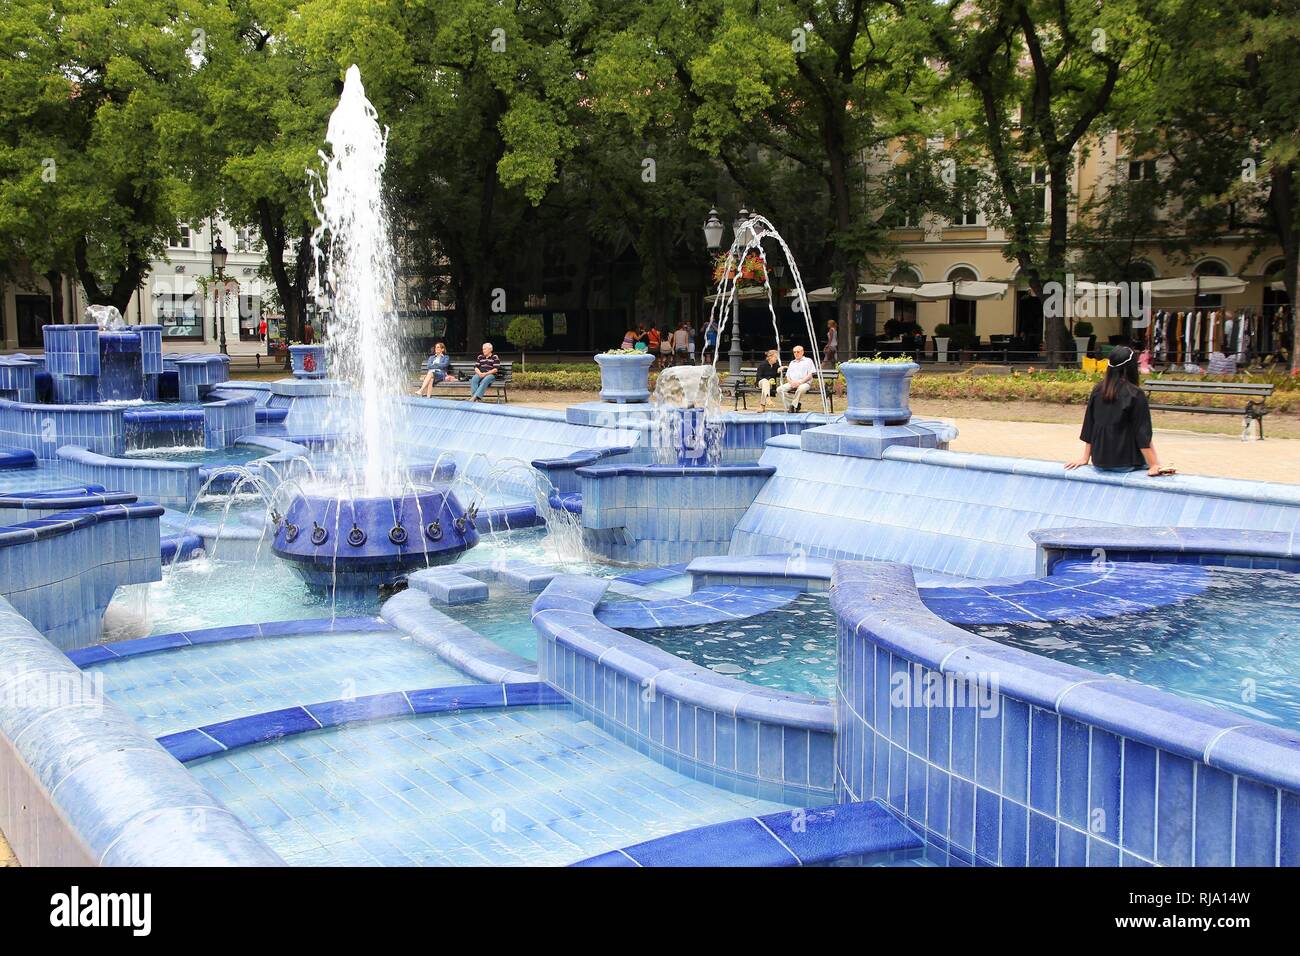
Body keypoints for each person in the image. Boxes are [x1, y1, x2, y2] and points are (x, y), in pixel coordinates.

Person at [1066, 345, 1174, 476]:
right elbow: (1142, 433)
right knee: (1153, 463)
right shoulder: (1135, 394)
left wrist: (1085, 458)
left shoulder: (1098, 390)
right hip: (1125, 462)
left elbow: (1090, 425)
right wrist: (1154, 464)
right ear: (1132, 367)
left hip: (1099, 461)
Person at [777, 344, 816, 412]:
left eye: (798, 352)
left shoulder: (808, 361)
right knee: (779, 389)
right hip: (792, 383)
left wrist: (800, 382)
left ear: (802, 352)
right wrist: (791, 382)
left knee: (801, 389)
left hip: (804, 383)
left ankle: (792, 406)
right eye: (794, 352)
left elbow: (811, 374)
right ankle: (795, 404)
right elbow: (787, 376)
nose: (796, 353)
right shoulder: (792, 362)